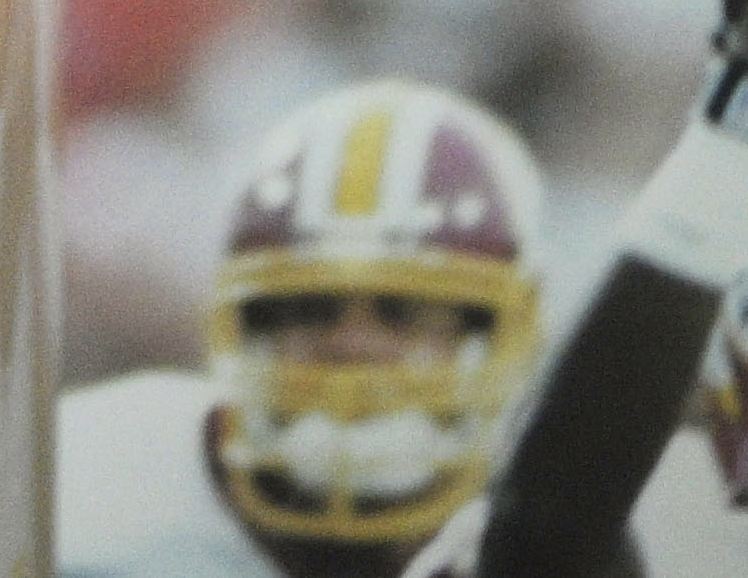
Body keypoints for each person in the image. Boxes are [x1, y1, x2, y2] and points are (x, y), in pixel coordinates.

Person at [55, 74, 557, 573]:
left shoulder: (557, 533)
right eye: (310, 307)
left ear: (496, 331)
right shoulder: (92, 477)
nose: (353, 344)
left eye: (400, 311)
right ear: (246, 324)